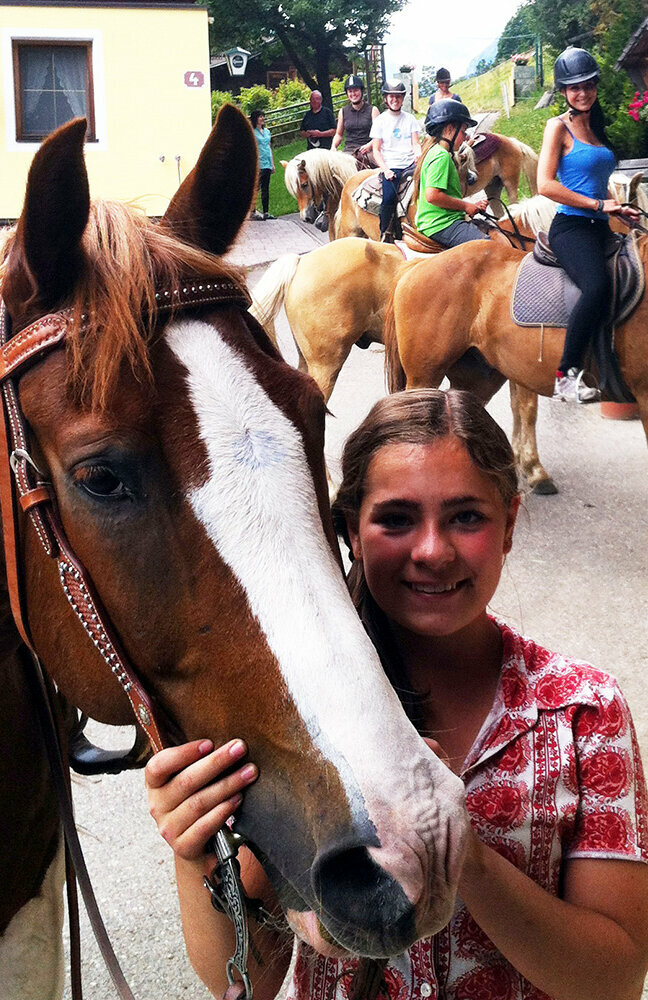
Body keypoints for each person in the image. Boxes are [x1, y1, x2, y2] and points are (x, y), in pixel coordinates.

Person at [146, 388, 648, 1000]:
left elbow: (616, 980)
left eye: (467, 516)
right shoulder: (288, 715)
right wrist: (195, 846)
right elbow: (245, 980)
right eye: (396, 519)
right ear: (349, 531)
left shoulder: (584, 712)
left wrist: (455, 848)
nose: (432, 551)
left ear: (511, 523)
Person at [537, 47, 639, 403]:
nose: (582, 92)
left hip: (601, 226)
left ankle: (617, 362)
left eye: (588, 84)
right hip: (571, 228)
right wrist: (598, 205)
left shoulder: (595, 126)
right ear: (563, 91)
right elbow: (545, 184)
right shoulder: (558, 126)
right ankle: (565, 375)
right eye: (574, 87)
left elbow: (597, 179)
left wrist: (617, 209)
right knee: (596, 286)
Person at [416, 99, 489, 247]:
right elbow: (432, 195)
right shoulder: (441, 156)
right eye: (463, 131)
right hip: (441, 223)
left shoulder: (434, 151)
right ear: (450, 129)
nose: (465, 137)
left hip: (441, 220)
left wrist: (471, 205)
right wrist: (466, 206)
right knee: (487, 245)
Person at [370, 79, 422, 241]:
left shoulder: (410, 119)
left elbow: (415, 143)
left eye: (398, 96)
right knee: (389, 198)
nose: (395, 100)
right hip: (392, 167)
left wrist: (418, 154)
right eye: (391, 96)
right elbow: (376, 150)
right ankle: (385, 232)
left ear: (403, 98)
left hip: (410, 165)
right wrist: (385, 170)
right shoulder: (380, 121)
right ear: (385, 98)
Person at [332, 74, 379, 167]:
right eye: (350, 91)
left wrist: (369, 145)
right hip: (349, 151)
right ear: (347, 94)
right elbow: (339, 134)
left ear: (361, 91)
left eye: (356, 90)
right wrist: (333, 147)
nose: (353, 94)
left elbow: (379, 135)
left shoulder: (373, 110)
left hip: (368, 151)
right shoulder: (343, 111)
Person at [249, 110, 275, 221]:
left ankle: (266, 212)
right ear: (256, 119)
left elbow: (269, 147)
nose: (262, 118)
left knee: (266, 188)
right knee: (256, 188)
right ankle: (252, 212)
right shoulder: (252, 132)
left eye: (263, 116)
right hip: (258, 163)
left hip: (267, 163)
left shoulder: (267, 132)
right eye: (260, 117)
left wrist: (272, 164)